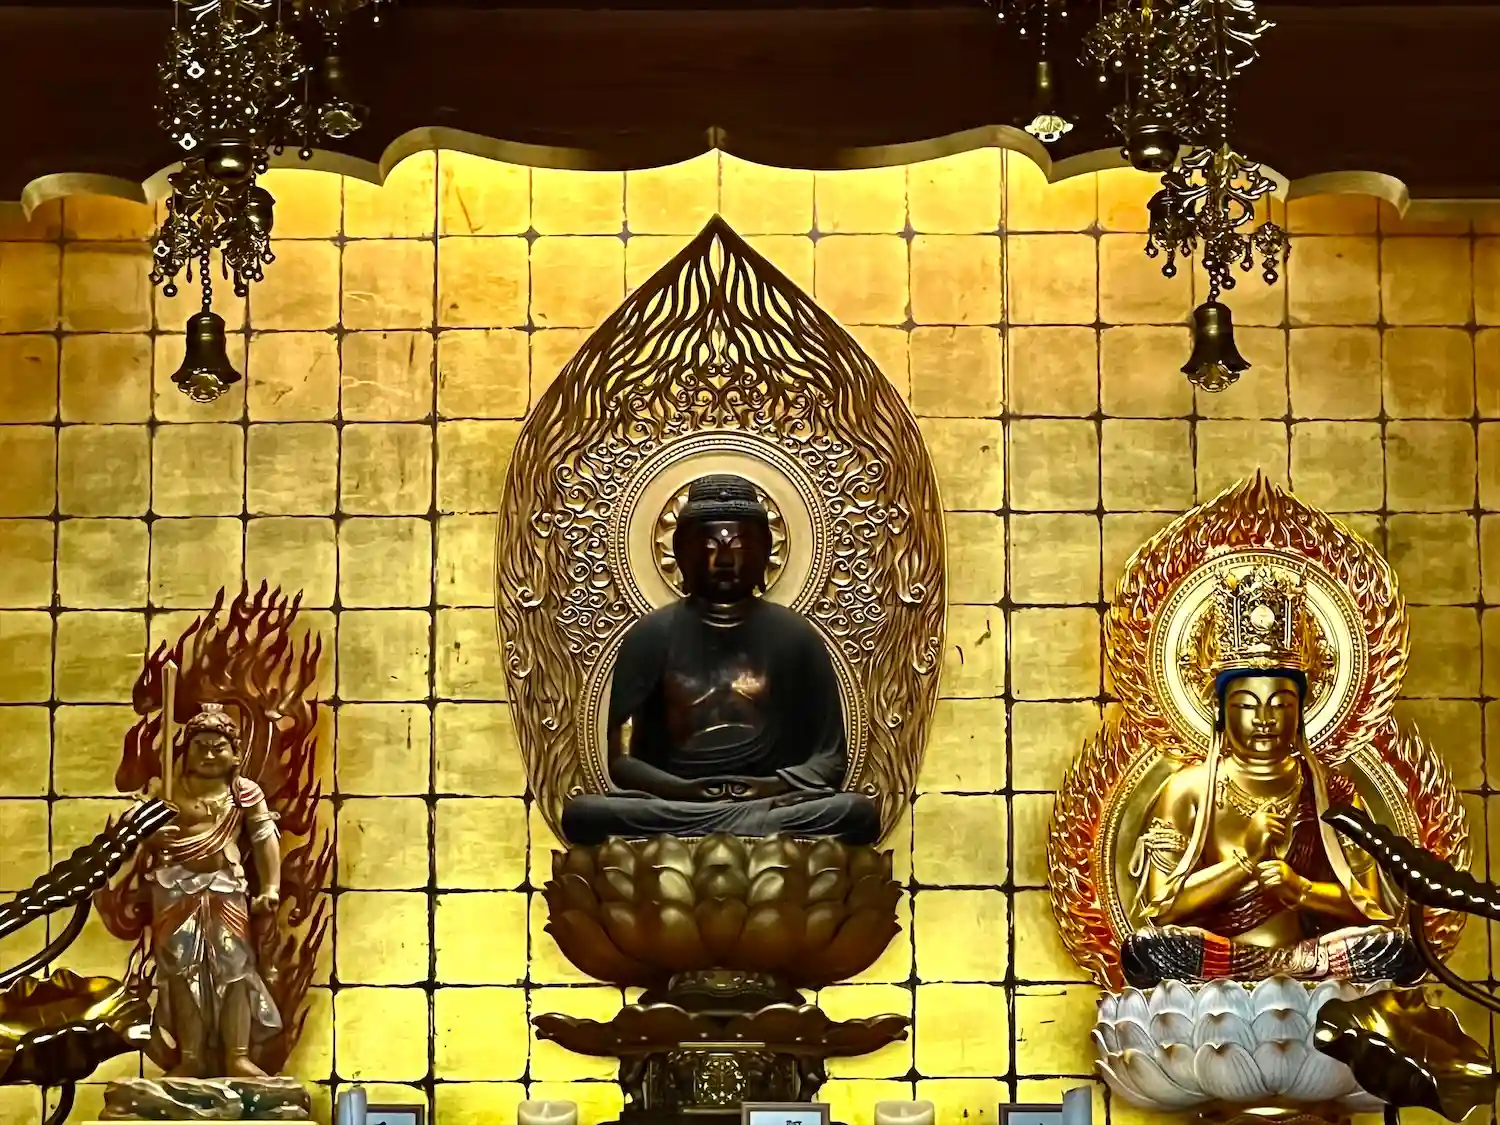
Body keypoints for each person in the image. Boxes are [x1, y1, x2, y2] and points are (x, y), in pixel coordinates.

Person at [1120, 565, 1421, 988]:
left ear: (1301, 713)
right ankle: (1250, 977)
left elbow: (1373, 908)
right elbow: (1161, 907)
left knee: (1396, 948)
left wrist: (1301, 889)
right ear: (1220, 712)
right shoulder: (1188, 789)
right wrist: (1244, 860)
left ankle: (1280, 976)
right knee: (1149, 948)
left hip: (1312, 958)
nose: (1264, 719)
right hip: (1220, 957)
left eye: (1280, 704)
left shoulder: (1331, 792)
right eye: (1247, 704)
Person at [560, 474, 881, 845]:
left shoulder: (795, 636)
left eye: (741, 546)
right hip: (677, 804)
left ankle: (728, 828)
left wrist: (768, 787)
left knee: (856, 811)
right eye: (708, 546)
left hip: (770, 801)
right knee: (583, 813)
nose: (724, 560)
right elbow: (620, 762)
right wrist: (686, 792)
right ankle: (729, 828)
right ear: (681, 553)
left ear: (765, 552)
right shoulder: (651, 635)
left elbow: (830, 759)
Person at [145, 703, 284, 1077]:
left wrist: (270, 886)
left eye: (218, 747)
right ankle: (190, 1056)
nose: (208, 755)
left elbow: (264, 837)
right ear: (186, 750)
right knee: (181, 971)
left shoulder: (243, 792)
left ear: (235, 754)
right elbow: (134, 832)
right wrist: (153, 836)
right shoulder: (168, 788)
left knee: (234, 968)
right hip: (174, 890)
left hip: (225, 889)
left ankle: (237, 1055)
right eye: (200, 746)